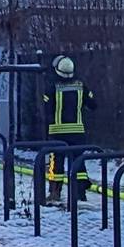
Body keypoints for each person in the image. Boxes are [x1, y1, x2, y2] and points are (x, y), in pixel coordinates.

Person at [42, 56, 91, 202]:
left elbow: (46, 109)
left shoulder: (52, 88)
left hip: (57, 133)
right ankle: (80, 192)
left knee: (56, 163)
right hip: (77, 133)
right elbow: (93, 104)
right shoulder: (81, 86)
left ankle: (55, 192)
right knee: (78, 161)